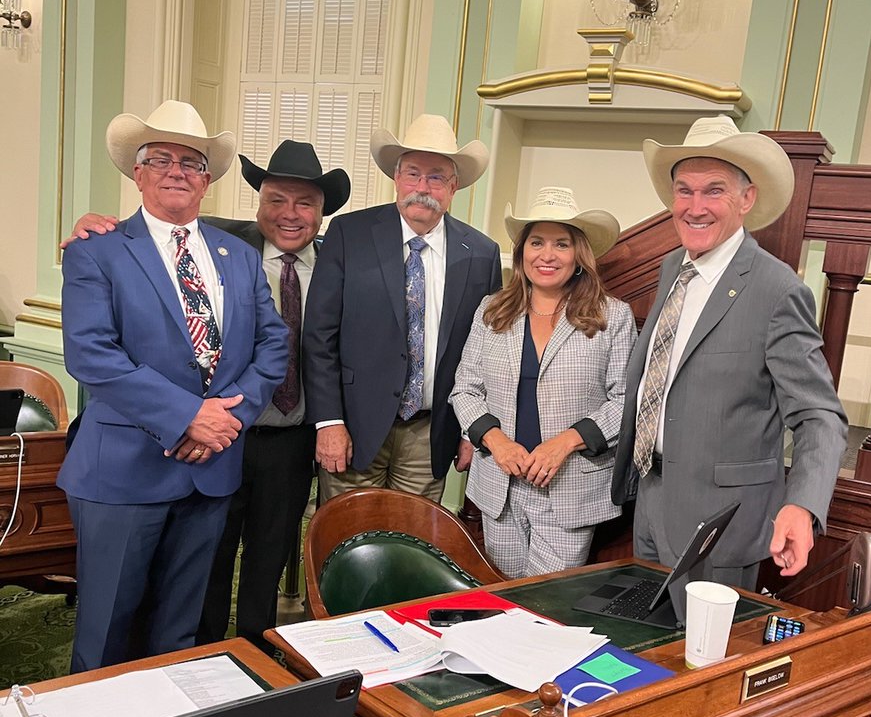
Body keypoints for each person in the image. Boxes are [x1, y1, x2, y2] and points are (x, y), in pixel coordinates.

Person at [63, 141, 351, 652]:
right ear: (137, 172)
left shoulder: (234, 254)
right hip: (126, 470)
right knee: (107, 630)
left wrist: (221, 419)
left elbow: (272, 342)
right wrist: (189, 416)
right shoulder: (96, 247)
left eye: (191, 164)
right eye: (160, 160)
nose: (176, 173)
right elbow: (90, 354)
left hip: (213, 467)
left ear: (207, 179)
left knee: (181, 633)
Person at [610, 115, 847, 591]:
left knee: (706, 661)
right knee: (654, 654)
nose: (695, 207)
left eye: (714, 190)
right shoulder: (672, 267)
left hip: (721, 525)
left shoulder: (777, 290)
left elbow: (820, 415)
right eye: (684, 190)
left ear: (746, 199)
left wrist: (801, 506)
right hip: (650, 500)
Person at [303, 114, 502, 502]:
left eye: (436, 177)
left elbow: (485, 354)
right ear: (396, 178)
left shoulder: (481, 253)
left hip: (430, 434)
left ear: (454, 186)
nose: (422, 188)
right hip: (353, 429)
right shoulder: (349, 234)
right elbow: (319, 336)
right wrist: (328, 421)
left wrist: (469, 431)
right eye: (412, 174)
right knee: (347, 544)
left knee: (413, 548)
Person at [450, 188, 636, 579]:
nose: (547, 255)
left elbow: (625, 401)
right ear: (521, 253)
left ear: (579, 255)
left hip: (569, 488)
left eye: (561, 244)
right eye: (536, 242)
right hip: (499, 484)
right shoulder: (492, 310)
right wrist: (495, 441)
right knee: (505, 598)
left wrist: (565, 442)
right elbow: (464, 389)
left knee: (544, 608)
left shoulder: (612, 317)